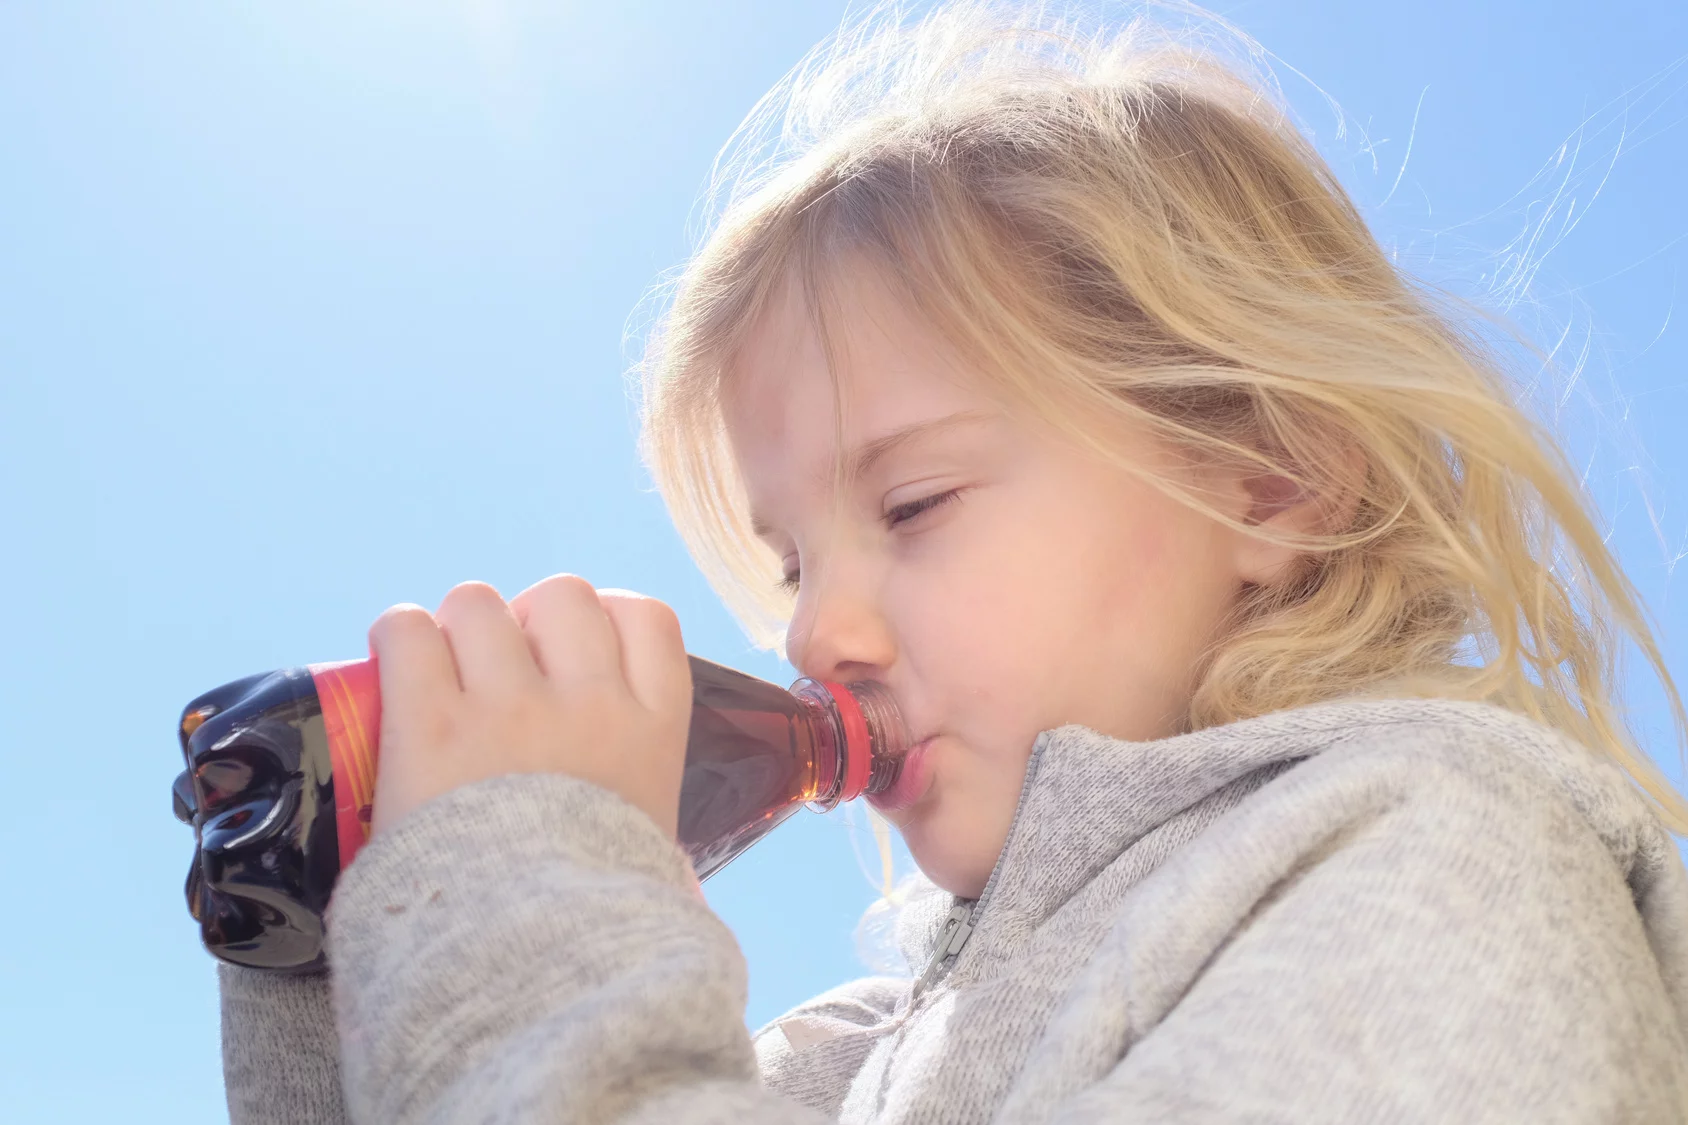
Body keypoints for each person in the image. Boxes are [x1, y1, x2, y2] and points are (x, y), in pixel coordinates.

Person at [217, 3, 1688, 1121]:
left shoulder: (1434, 865)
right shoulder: (848, 1053)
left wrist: (530, 916)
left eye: (912, 503)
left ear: (1270, 478)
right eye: (791, 565)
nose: (812, 638)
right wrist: (349, 939)